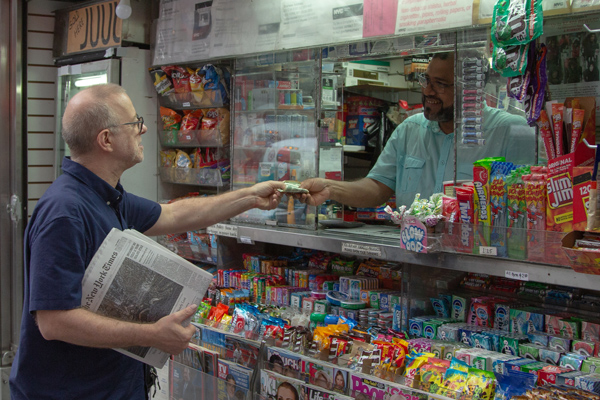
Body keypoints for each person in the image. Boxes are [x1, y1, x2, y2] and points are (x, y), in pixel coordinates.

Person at [9, 83, 285, 400]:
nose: (143, 129)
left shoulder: (105, 197)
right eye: (134, 122)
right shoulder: (65, 213)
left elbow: (174, 215)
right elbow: (54, 321)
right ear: (106, 140)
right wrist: (152, 334)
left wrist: (251, 196)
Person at [298, 52, 536, 208]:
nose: (427, 91)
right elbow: (377, 188)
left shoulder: (511, 131)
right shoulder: (409, 129)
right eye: (426, 80)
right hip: (415, 252)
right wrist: (329, 188)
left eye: (439, 84)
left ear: (471, 88)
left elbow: (525, 206)